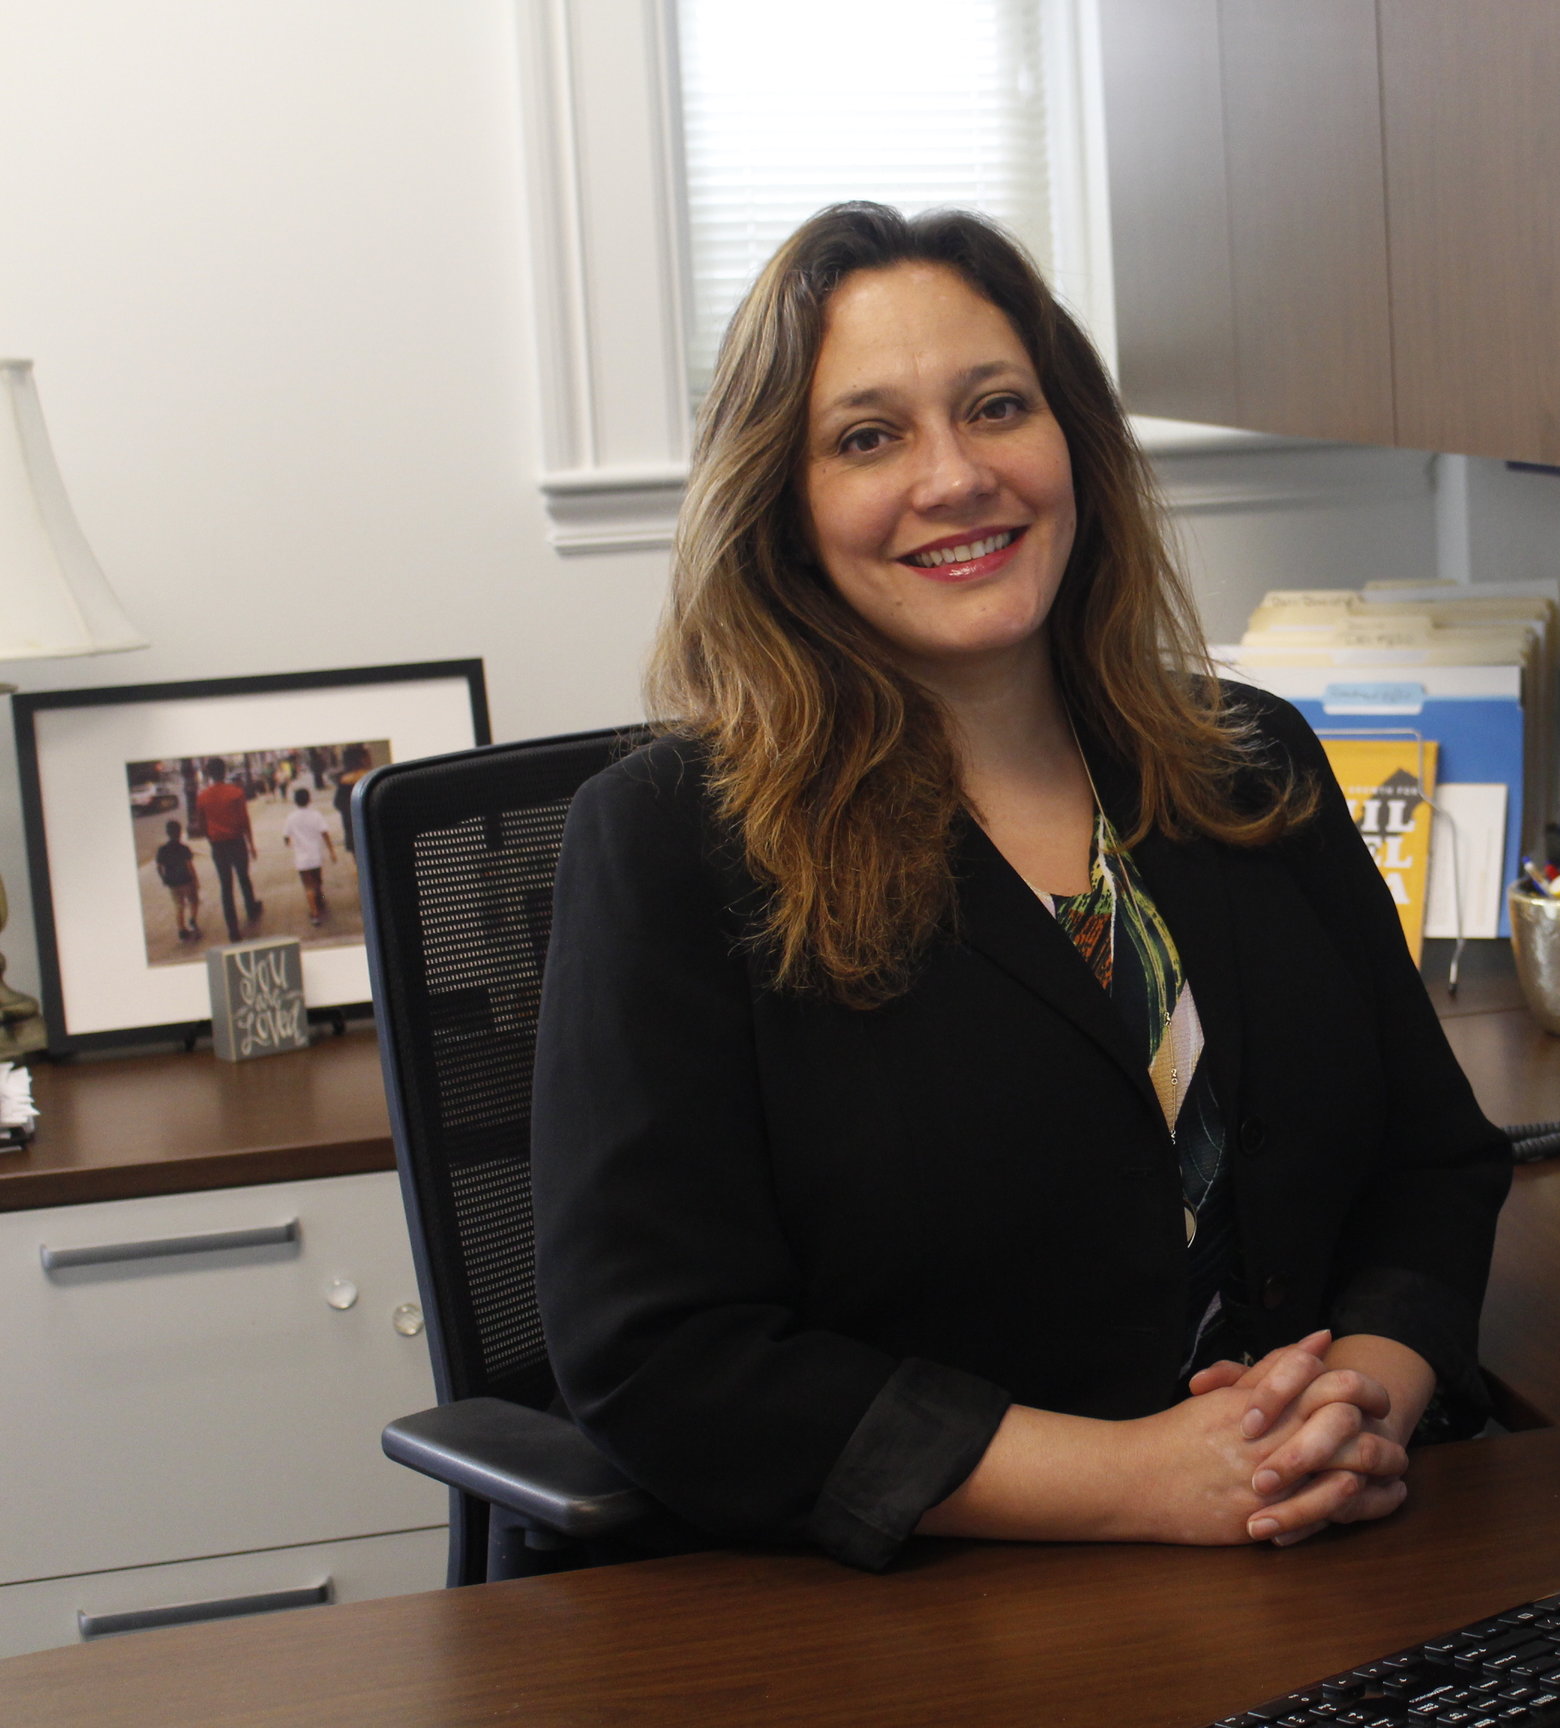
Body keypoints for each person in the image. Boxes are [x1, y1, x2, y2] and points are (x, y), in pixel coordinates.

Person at [531, 203, 1510, 1574]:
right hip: (942, 1610)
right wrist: (1143, 1478)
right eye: (869, 437)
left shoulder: (1248, 763)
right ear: (784, 503)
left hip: (1322, 1547)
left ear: (1073, 444)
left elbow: (1433, 1162)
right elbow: (665, 1356)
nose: (956, 476)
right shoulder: (670, 847)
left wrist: (1351, 1407)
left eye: (997, 407)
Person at [194, 761, 261, 941]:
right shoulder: (236, 793)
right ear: (224, 772)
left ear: (209, 774)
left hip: (218, 845)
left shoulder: (202, 797)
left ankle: (233, 929)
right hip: (237, 842)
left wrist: (212, 838)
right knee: (243, 878)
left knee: (226, 886)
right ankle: (251, 908)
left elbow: (201, 825)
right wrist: (251, 844)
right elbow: (244, 820)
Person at [281, 787, 336, 926]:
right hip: (316, 856)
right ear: (309, 799)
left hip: (302, 859)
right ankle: (321, 901)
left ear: (295, 801)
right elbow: (325, 834)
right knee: (318, 882)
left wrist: (290, 842)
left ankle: (315, 913)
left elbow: (286, 837)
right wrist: (332, 851)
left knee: (308, 886)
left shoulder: (291, 817)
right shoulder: (316, 815)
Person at [154, 820, 201, 943]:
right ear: (180, 833)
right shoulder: (184, 848)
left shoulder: (162, 850)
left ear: (167, 833)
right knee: (193, 901)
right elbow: (189, 866)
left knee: (179, 906)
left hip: (173, 883)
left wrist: (163, 878)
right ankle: (193, 920)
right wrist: (195, 880)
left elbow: (159, 867)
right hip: (186, 880)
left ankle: (181, 930)